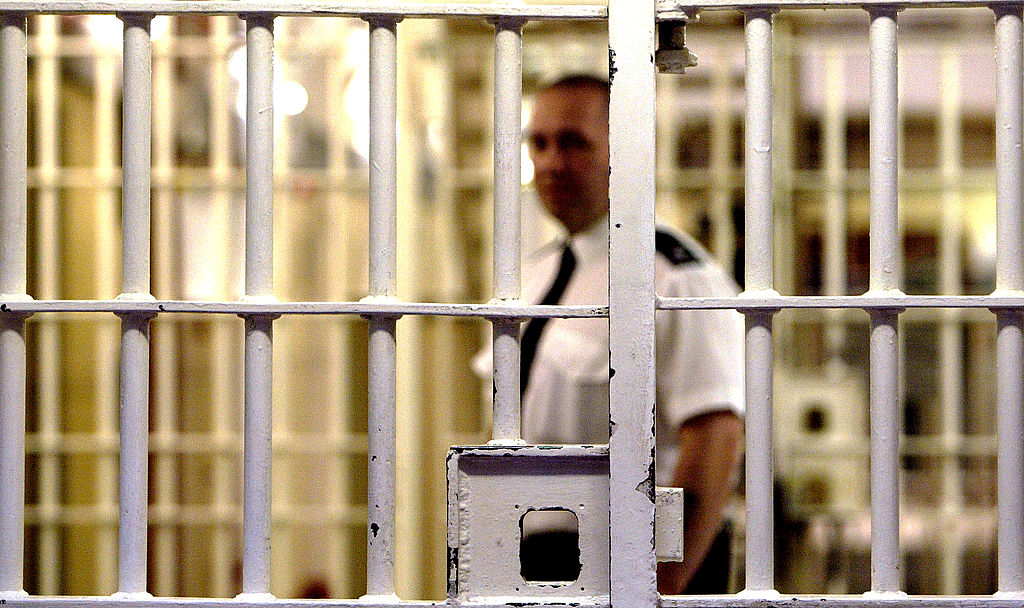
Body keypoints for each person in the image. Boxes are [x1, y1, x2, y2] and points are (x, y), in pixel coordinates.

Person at [477, 74, 744, 594]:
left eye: (574, 142)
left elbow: (714, 435)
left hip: (631, 556)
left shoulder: (674, 276)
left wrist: (658, 582)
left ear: (623, 150)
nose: (551, 162)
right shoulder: (533, 277)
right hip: (532, 551)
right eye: (540, 143)